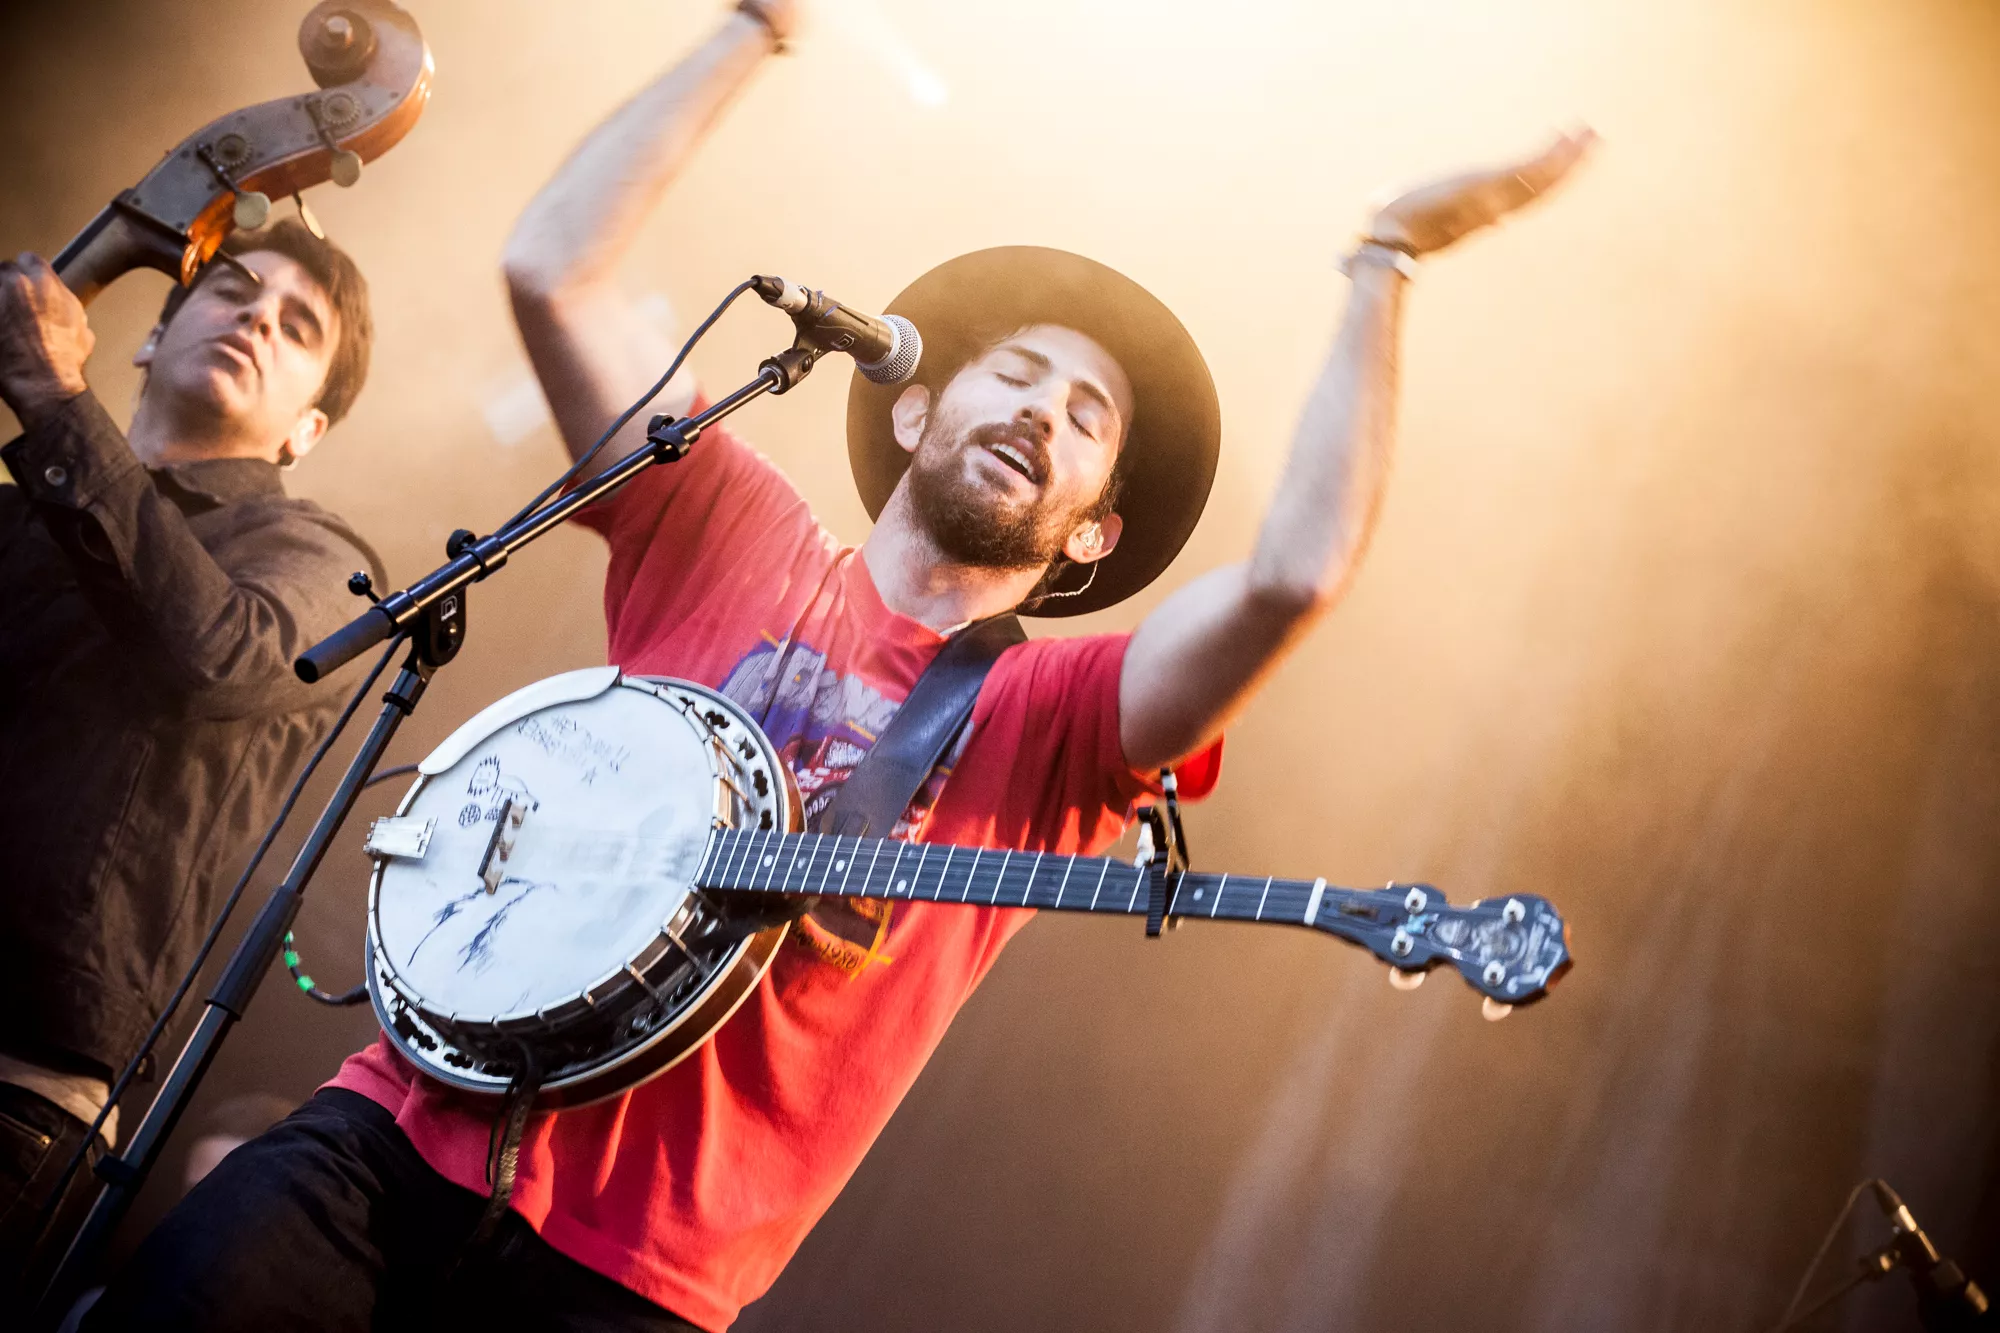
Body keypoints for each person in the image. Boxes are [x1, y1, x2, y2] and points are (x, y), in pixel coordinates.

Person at [83, 3, 1593, 1329]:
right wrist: (756, 25)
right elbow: (553, 269)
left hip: (634, 1283)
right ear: (920, 410)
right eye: (1016, 373)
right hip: (398, 1132)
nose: (1042, 412)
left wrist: (1383, 258)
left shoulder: (1055, 720)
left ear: (1092, 535)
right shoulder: (726, 516)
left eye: (1085, 418)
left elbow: (1294, 575)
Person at [0, 218, 383, 1298]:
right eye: (231, 291)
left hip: (20, 1084)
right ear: (145, 338)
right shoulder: (16, 511)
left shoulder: (318, 561)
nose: (257, 317)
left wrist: (49, 398)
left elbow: (218, 653)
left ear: (306, 430)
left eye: (296, 324)